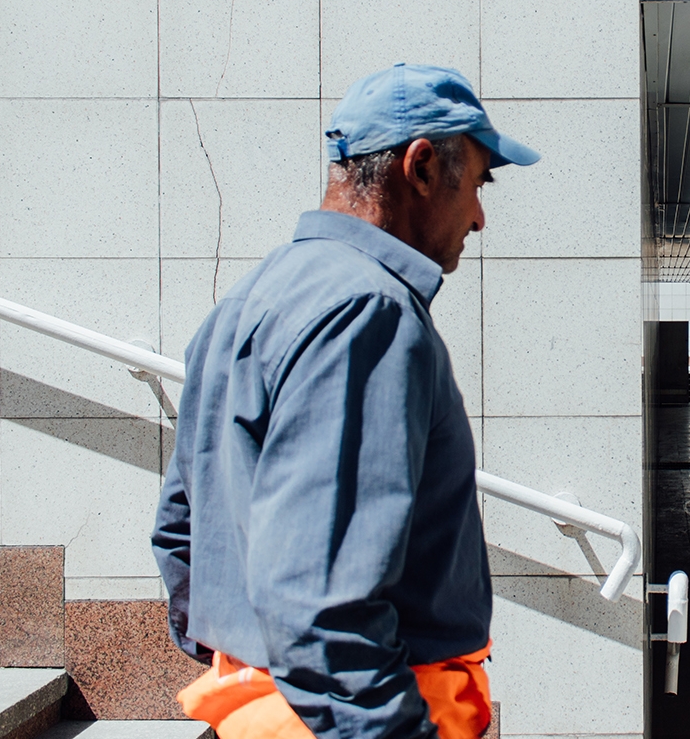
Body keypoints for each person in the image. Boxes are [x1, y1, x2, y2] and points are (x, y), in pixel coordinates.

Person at [151, 64, 540, 739]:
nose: (478, 216)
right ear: (421, 167)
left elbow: (180, 532)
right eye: (477, 183)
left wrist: (254, 669)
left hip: (273, 714)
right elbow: (326, 605)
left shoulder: (250, 300)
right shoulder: (370, 314)